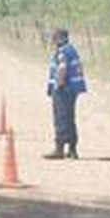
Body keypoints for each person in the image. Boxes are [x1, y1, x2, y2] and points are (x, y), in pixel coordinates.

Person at [45, 27, 87, 159]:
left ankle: (59, 149)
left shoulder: (63, 52)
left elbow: (62, 70)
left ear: (60, 38)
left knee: (61, 118)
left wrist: (57, 85)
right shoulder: (71, 50)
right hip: (72, 89)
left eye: (54, 37)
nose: (52, 40)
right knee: (69, 118)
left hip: (64, 89)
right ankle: (72, 149)